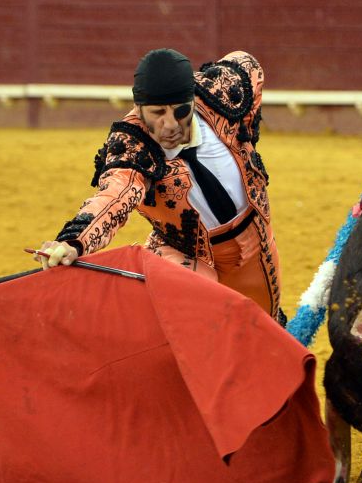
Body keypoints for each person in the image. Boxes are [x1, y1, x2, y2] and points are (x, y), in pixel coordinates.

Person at [37, 49, 285, 323]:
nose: (170, 125)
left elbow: (247, 64)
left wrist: (248, 130)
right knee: (188, 322)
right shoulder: (131, 145)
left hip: (255, 242)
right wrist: (74, 241)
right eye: (157, 113)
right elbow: (115, 195)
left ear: (192, 99)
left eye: (180, 111)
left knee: (264, 331)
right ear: (139, 110)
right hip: (185, 251)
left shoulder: (218, 94)